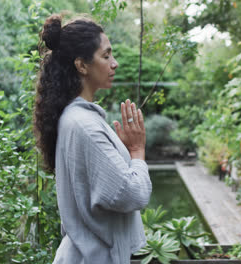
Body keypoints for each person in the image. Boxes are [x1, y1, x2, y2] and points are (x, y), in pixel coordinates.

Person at [33, 14, 152, 264]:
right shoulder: (84, 125)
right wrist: (137, 152)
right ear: (82, 65)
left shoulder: (78, 118)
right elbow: (132, 194)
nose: (115, 63)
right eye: (106, 55)